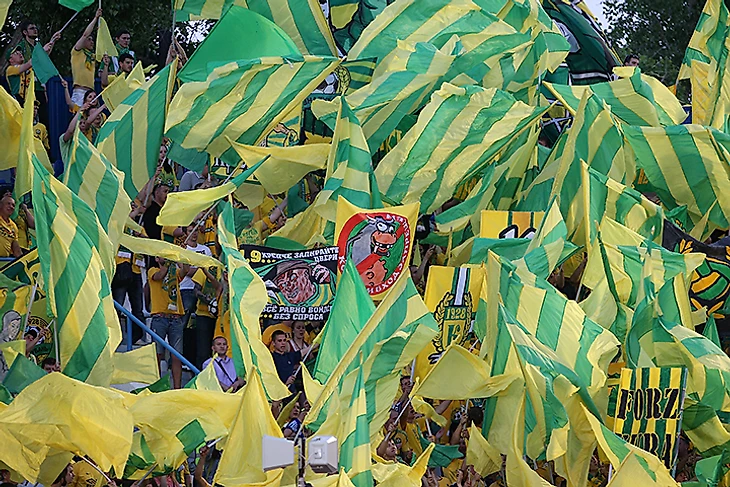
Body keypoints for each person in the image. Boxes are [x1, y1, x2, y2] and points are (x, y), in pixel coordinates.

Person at [148, 257, 185, 389]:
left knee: (177, 355)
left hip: (176, 318)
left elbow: (185, 271)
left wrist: (181, 258)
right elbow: (159, 276)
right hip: (159, 317)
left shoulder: (174, 272)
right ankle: (157, 386)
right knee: (157, 354)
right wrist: (169, 262)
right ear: (157, 258)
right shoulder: (152, 270)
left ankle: (177, 388)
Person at [112, 208, 146, 345]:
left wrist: (140, 236)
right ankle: (115, 337)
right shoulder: (116, 223)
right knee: (117, 306)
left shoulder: (138, 226)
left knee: (138, 308)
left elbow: (148, 242)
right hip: (121, 269)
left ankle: (137, 337)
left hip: (136, 270)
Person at [70, 8, 102, 107]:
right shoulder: (77, 52)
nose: (92, 42)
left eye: (92, 40)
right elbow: (85, 34)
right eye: (89, 40)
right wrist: (96, 18)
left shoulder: (92, 56)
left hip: (91, 93)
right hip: (80, 91)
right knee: (78, 115)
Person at [0, 193, 21, 259]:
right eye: (8, 203)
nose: (11, 207)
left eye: (13, 205)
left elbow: (16, 249)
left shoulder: (13, 226)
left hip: (3, 261)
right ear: (1, 205)